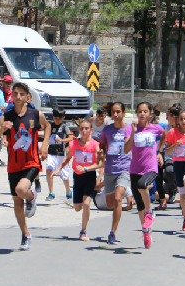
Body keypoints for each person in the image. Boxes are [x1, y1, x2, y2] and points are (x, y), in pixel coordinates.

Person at [0, 82, 51, 251]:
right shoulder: (5, 116)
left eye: (21, 94)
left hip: (31, 162)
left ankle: (31, 197)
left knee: (21, 189)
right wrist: (2, 129)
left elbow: (47, 126)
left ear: (26, 97)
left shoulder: (35, 114)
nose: (17, 97)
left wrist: (44, 145)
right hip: (13, 165)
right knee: (17, 204)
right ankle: (25, 234)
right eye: (15, 93)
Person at [124, 102, 165, 248]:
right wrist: (134, 133)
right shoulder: (130, 129)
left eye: (145, 111)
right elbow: (125, 149)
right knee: (139, 205)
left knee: (143, 185)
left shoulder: (156, 129)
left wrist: (160, 152)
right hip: (135, 169)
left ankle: (150, 212)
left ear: (150, 114)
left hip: (151, 168)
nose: (142, 114)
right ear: (136, 113)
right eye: (140, 111)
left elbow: (164, 135)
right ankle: (146, 231)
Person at [53, 119, 102, 240]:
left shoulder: (95, 145)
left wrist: (86, 169)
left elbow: (100, 164)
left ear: (91, 130)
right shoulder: (74, 144)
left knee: (86, 204)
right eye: (82, 129)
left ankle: (83, 231)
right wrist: (58, 169)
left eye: (87, 128)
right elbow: (68, 158)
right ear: (79, 130)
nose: (84, 131)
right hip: (77, 177)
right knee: (77, 208)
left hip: (89, 176)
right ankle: (75, 202)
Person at [100, 102, 132, 244]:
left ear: (124, 113)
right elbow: (102, 148)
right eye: (113, 112)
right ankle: (125, 198)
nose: (115, 115)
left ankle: (113, 232)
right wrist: (100, 154)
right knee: (109, 204)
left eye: (118, 111)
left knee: (119, 198)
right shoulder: (106, 130)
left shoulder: (129, 129)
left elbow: (127, 147)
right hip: (109, 169)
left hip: (124, 169)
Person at [43, 108, 74, 201]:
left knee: (64, 176)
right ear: (53, 117)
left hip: (61, 154)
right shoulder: (49, 126)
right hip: (51, 153)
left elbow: (70, 137)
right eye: (56, 118)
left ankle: (68, 190)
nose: (58, 120)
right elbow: (46, 136)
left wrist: (62, 140)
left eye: (60, 118)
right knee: (49, 170)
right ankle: (51, 192)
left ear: (63, 118)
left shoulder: (65, 127)